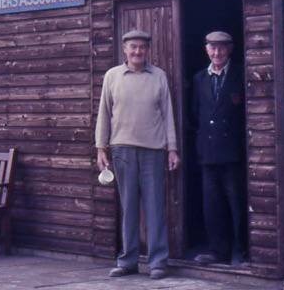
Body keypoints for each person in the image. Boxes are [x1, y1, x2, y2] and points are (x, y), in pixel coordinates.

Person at [95, 29, 181, 280]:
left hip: (154, 150)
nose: (137, 51)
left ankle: (157, 262)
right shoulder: (112, 76)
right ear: (125, 49)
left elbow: (168, 114)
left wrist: (172, 148)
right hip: (121, 150)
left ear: (147, 50)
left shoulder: (158, 76)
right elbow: (103, 113)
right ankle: (128, 261)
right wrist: (101, 147)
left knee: (155, 207)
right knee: (129, 207)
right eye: (133, 47)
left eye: (142, 47)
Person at [191, 31, 246, 266]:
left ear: (230, 49)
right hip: (208, 152)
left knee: (237, 203)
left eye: (222, 48)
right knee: (212, 204)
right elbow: (195, 114)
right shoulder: (199, 78)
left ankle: (242, 252)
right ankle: (218, 251)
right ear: (206, 49)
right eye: (213, 48)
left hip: (234, 151)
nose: (217, 52)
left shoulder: (240, 74)